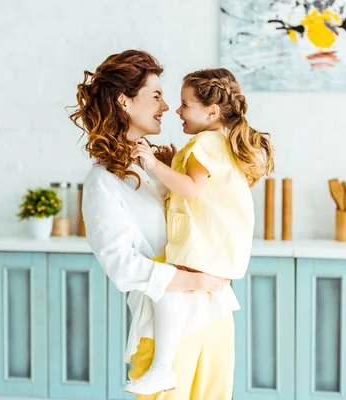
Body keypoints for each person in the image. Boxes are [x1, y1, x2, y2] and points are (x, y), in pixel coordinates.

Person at [70, 50, 238, 400]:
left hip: (214, 315)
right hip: (166, 333)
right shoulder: (104, 181)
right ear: (124, 102)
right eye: (157, 96)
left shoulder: (164, 167)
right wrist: (196, 279)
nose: (166, 108)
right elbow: (121, 265)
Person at [124, 68, 275, 395]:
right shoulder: (219, 142)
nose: (176, 110)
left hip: (204, 244)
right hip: (219, 244)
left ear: (211, 111)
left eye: (184, 104)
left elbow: (192, 190)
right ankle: (164, 367)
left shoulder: (205, 143)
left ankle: (162, 367)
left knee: (166, 286)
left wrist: (153, 164)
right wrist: (174, 161)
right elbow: (203, 187)